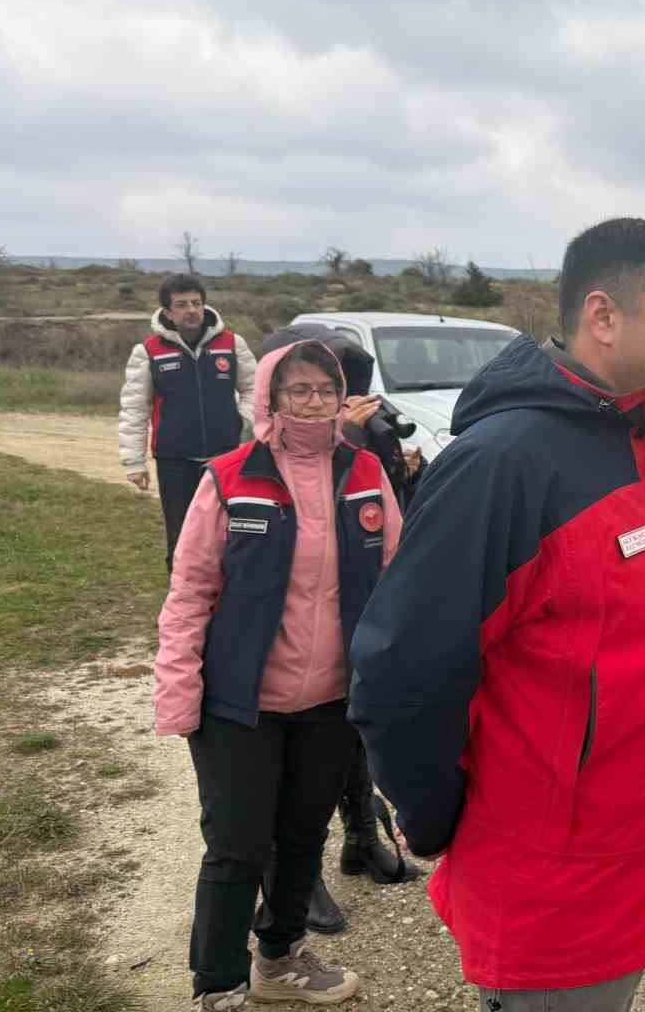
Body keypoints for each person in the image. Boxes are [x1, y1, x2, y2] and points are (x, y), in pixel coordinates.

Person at [350, 218, 645, 1012]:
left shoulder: (626, 439)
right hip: (554, 889)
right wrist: (435, 821)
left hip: (616, 872)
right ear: (603, 317)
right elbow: (401, 673)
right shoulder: (505, 464)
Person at [154, 339, 403, 1011]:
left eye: (327, 388)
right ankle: (218, 984)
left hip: (330, 699)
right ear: (269, 396)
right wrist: (179, 692)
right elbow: (189, 594)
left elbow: (395, 582)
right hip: (239, 703)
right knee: (235, 847)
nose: (314, 401)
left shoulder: (366, 474)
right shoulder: (230, 477)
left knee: (301, 835)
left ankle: (279, 959)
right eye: (298, 389)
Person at [119, 274, 256, 569]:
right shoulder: (148, 352)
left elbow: (254, 389)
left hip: (226, 457)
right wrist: (134, 461)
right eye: (181, 305)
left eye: (196, 303)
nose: (191, 310)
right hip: (174, 460)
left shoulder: (232, 344)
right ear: (167, 313)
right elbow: (134, 409)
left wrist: (243, 423)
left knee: (228, 532)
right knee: (181, 535)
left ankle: (225, 601)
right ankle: (181, 606)